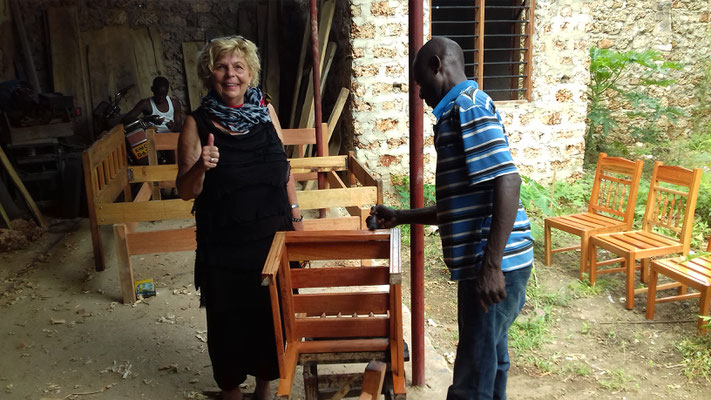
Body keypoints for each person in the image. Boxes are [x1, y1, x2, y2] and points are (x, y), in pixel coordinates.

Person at [368, 37, 534, 400]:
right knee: (490, 361)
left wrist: (490, 266)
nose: (420, 93)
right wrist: (400, 216)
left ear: (435, 66)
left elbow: (508, 179)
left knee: (472, 377)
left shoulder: (467, 107)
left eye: (419, 83)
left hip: (491, 265)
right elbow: (460, 205)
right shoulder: (458, 110)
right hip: (496, 262)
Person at [176, 35, 304, 400]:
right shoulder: (196, 124)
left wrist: (296, 216)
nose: (229, 74)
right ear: (209, 73)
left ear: (250, 73)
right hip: (225, 248)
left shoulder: (266, 111)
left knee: (270, 318)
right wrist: (201, 166)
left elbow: (284, 169)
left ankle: (264, 388)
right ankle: (232, 391)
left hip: (271, 239)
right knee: (228, 323)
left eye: (237, 67)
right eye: (221, 66)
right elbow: (185, 189)